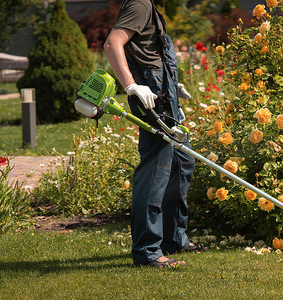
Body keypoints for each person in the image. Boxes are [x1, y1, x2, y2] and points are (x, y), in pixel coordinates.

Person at [104, 0, 203, 268]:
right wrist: (132, 85)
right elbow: (113, 44)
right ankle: (148, 251)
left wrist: (173, 85)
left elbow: (149, 50)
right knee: (156, 170)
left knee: (182, 163)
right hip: (150, 95)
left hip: (163, 91)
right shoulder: (139, 4)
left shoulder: (150, 5)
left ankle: (174, 239)